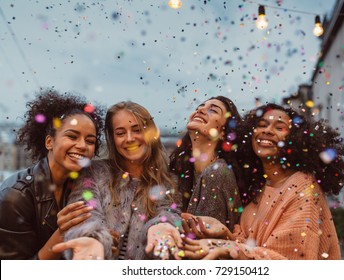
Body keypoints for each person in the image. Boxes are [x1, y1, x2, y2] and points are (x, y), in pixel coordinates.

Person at [180, 103, 344, 260]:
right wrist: (224, 233)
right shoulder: (261, 188)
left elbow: (288, 261)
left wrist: (226, 245)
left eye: (280, 127)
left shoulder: (303, 189)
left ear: (296, 139)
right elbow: (251, 247)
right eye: (261, 125)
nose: (267, 131)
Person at [52, 101, 182, 260]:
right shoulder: (94, 172)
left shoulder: (168, 181)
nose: (129, 138)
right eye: (120, 133)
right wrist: (93, 239)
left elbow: (168, 213)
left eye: (137, 130)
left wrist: (163, 226)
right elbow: (84, 214)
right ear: (112, 139)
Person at [0, 89, 105, 259]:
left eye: (90, 141)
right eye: (72, 136)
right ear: (49, 142)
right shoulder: (15, 197)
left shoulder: (90, 186)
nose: (82, 145)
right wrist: (63, 232)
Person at [169, 96, 244, 232]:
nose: (201, 110)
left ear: (223, 132)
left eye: (213, 110)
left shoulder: (217, 172)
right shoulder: (182, 171)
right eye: (199, 107)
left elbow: (202, 241)